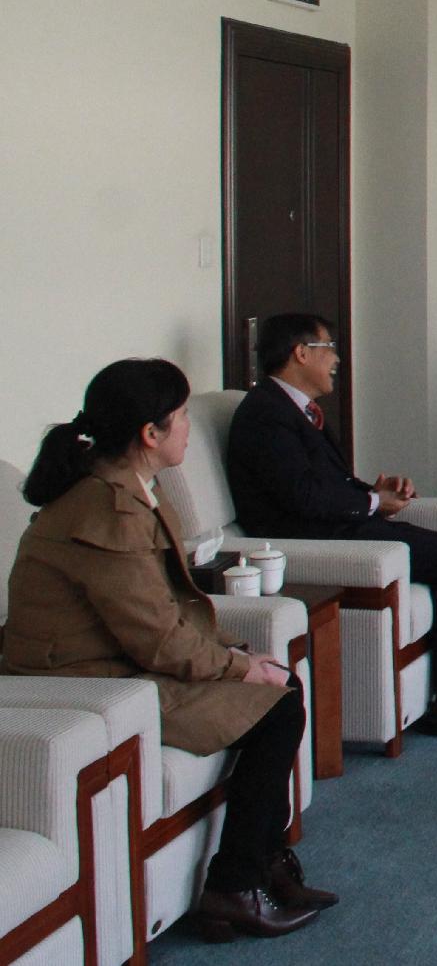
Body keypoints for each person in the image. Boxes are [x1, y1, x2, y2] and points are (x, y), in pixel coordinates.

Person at [4, 359, 336, 941]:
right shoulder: (105, 511)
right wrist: (238, 666)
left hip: (118, 661)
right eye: (181, 417)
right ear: (149, 434)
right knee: (279, 706)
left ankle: (264, 864)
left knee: (281, 687)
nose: (188, 428)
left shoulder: (127, 491)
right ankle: (234, 885)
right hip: (88, 683)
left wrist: (238, 658)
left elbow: (163, 612)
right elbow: (156, 636)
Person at [226, 314, 437, 737]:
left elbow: (321, 484)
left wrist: (372, 492)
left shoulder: (295, 409)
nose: (336, 359)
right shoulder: (266, 414)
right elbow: (301, 497)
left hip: (339, 526)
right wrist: (371, 502)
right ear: (301, 353)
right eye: (328, 347)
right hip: (318, 539)